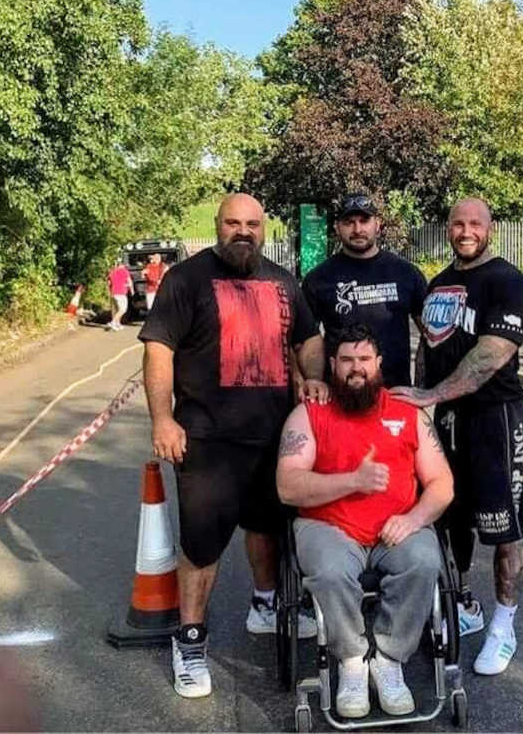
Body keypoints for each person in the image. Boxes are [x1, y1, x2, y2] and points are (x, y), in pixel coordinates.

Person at [139, 193, 329, 700]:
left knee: (267, 530)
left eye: (252, 223)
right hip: (206, 440)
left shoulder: (283, 282)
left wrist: (312, 377)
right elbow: (159, 349)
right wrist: (162, 418)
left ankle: (265, 603)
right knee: (202, 546)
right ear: (217, 225)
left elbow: (309, 338)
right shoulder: (186, 280)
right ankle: (191, 640)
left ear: (263, 229)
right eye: (232, 222)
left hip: (272, 437)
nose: (242, 231)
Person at [390, 197, 523, 678]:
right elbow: (428, 350)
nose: (466, 230)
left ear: (490, 229)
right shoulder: (438, 284)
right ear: (448, 228)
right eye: (458, 223)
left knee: (503, 527)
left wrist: (431, 395)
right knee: (449, 517)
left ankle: (504, 624)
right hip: (446, 418)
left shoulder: (507, 282)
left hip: (495, 418)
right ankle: (466, 603)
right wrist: (421, 400)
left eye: (475, 223)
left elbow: (489, 357)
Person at [276, 324, 453, 718]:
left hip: (398, 525)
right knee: (330, 570)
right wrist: (353, 481)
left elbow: (442, 484)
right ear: (333, 366)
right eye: (347, 361)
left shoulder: (408, 413)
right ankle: (352, 661)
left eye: (364, 360)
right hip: (328, 526)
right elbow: (288, 486)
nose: (356, 369)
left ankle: (389, 659)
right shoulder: (309, 414)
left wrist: (414, 519)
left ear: (379, 364)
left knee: (424, 560)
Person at [302, 194, 427, 388]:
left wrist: (422, 386)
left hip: (395, 394)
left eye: (364, 221)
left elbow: (430, 335)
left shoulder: (406, 273)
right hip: (339, 396)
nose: (357, 229)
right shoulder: (318, 279)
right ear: (337, 228)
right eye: (349, 222)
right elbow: (303, 340)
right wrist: (313, 381)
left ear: (377, 224)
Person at [107, 258, 134, 331]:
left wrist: (109, 291)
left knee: (117, 309)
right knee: (123, 309)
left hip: (114, 293)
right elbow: (130, 282)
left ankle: (117, 324)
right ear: (122, 265)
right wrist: (132, 290)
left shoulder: (112, 272)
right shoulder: (125, 271)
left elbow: (109, 283)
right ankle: (113, 322)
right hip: (121, 293)